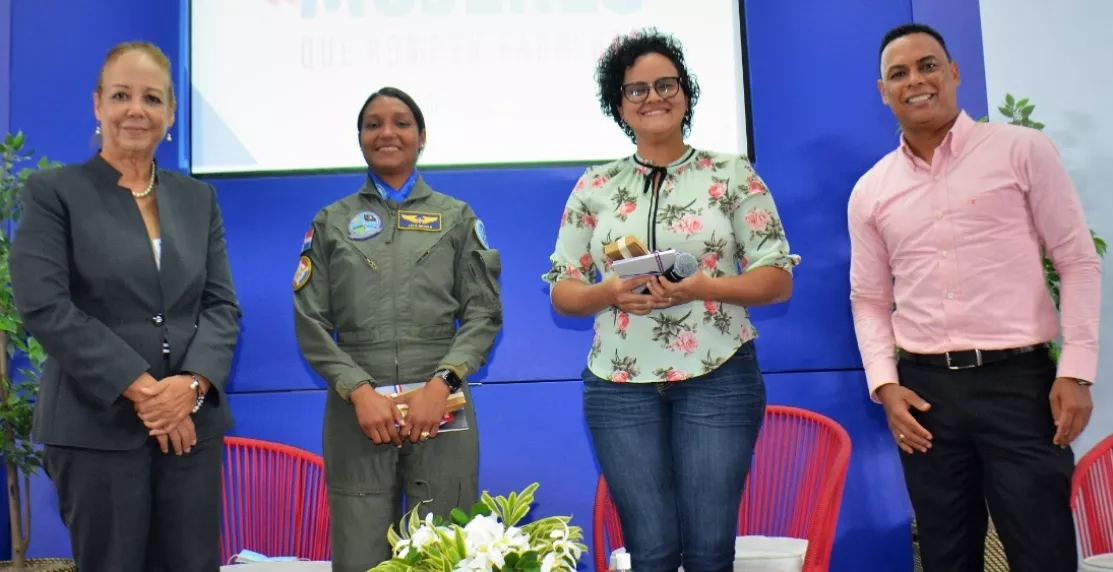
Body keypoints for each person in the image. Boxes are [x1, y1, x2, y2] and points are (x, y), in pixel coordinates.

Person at [848, 23, 1102, 572]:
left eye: (928, 65)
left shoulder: (1022, 151)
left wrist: (1077, 371)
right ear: (883, 90)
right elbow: (869, 300)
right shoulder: (871, 190)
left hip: (1020, 389)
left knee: (1044, 551)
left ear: (954, 73)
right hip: (925, 397)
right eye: (899, 73)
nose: (916, 80)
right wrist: (885, 385)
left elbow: (1078, 261)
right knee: (946, 555)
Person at [543, 28, 798, 572]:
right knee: (650, 551)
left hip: (719, 376)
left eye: (666, 84)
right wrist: (609, 292)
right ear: (619, 105)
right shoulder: (594, 185)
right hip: (617, 385)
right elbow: (564, 291)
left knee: (709, 550)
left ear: (686, 94)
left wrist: (703, 286)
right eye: (637, 90)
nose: (654, 97)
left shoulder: (731, 173)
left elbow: (776, 279)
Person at [9, 41, 242, 572]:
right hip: (96, 430)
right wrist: (145, 394)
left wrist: (189, 387)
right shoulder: (54, 192)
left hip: (191, 430)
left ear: (171, 114)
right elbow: (45, 305)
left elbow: (222, 306)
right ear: (98, 105)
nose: (137, 110)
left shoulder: (197, 198)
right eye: (121, 95)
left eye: (152, 98)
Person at [293, 86, 503, 572]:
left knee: (447, 553)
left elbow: (483, 313)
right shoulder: (331, 223)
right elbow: (309, 322)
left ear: (421, 137)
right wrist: (358, 390)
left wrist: (444, 381)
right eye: (374, 124)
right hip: (358, 412)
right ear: (361, 138)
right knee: (361, 554)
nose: (387, 131)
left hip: (441, 406)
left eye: (401, 122)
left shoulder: (456, 217)